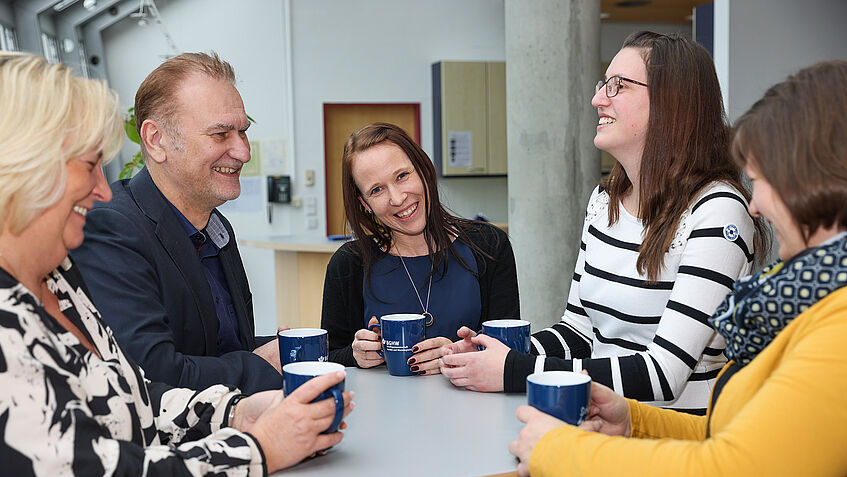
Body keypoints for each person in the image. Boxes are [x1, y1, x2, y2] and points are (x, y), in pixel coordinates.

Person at [0, 51, 353, 475]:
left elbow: (130, 394)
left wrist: (232, 414)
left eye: (242, 131)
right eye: (90, 165)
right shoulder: (107, 232)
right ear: (21, 169)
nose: (102, 189)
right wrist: (258, 448)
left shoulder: (60, 281)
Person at [509, 59, 847, 477]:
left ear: (813, 181)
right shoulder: (813, 296)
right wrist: (636, 421)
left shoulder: (838, 319)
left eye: (762, 182)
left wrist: (557, 450)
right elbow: (732, 434)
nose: (755, 205)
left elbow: (731, 465)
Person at [441, 31, 767, 413]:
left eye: (618, 86)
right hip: (605, 421)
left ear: (670, 104)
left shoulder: (717, 209)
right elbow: (578, 333)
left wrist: (515, 368)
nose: (598, 99)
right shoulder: (605, 201)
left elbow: (664, 374)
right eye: (603, 84)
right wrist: (487, 354)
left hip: (680, 441)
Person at [70, 52, 281, 394]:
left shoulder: (217, 228)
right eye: (220, 134)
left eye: (243, 132)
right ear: (156, 140)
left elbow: (218, 348)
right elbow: (150, 372)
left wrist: (283, 348)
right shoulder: (111, 228)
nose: (243, 152)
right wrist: (259, 365)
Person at [321, 122, 519, 373]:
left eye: (402, 176)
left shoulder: (488, 245)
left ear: (423, 170)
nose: (397, 198)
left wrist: (457, 352)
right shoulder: (349, 263)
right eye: (377, 190)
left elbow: (511, 351)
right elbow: (328, 357)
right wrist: (355, 354)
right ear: (365, 204)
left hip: (475, 407)